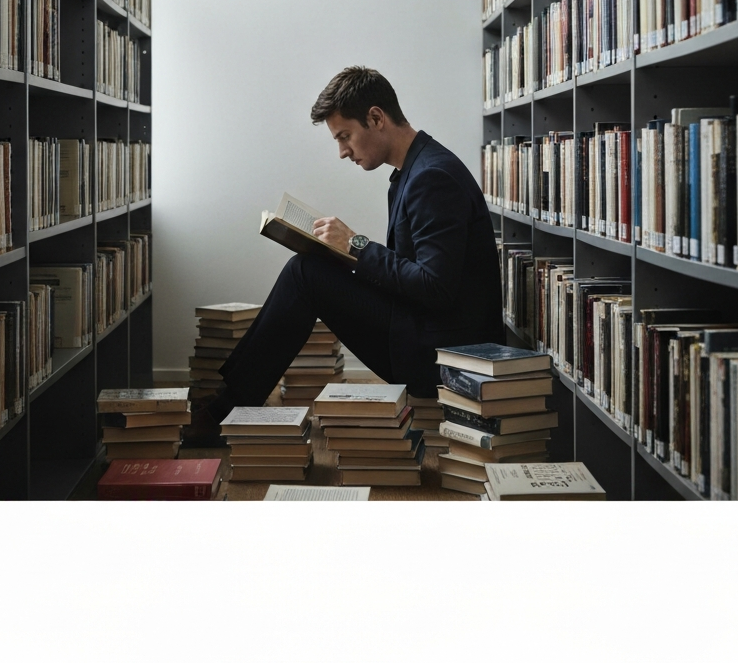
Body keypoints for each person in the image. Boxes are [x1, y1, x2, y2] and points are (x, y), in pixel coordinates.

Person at [185, 65, 502, 444]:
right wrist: (344, 254)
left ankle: (225, 408)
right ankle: (229, 403)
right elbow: (419, 271)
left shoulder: (433, 178)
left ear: (376, 118)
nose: (342, 152)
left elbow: (436, 287)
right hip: (420, 327)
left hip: (438, 354)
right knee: (310, 267)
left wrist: (356, 246)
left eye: (345, 136)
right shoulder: (414, 171)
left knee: (305, 274)